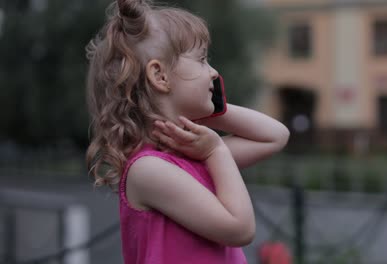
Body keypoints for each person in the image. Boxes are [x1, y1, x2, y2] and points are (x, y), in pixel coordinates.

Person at [85, 0, 290, 263]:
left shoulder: (191, 152)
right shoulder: (149, 169)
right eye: (202, 60)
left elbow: (276, 135)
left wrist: (210, 107)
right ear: (160, 76)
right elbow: (240, 229)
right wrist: (216, 150)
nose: (214, 72)